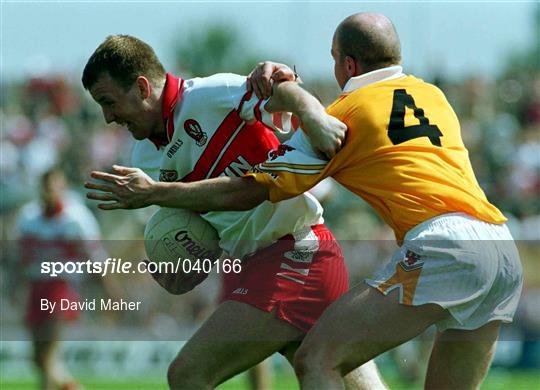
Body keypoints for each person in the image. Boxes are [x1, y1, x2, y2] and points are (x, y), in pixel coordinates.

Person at [84, 13, 523, 389]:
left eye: (332, 60)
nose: (108, 116)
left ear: (347, 64)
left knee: (302, 364)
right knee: (323, 362)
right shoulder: (434, 96)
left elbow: (251, 188)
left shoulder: (343, 115)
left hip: (333, 250)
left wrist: (309, 111)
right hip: (500, 246)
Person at [82, 35, 385, 389]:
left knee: (188, 374)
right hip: (258, 263)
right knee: (330, 374)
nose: (107, 118)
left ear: (142, 86)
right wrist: (175, 264)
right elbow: (197, 228)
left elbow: (281, 92)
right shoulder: (145, 159)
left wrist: (312, 114)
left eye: (109, 102)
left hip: (296, 251)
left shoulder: (208, 94)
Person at [14, 167, 104, 390]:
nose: (49, 191)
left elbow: (96, 256)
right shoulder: (28, 217)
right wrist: (17, 288)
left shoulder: (77, 218)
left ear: (62, 187)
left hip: (62, 287)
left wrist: (107, 289)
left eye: (54, 185)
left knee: (48, 354)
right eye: (45, 186)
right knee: (38, 359)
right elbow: (21, 259)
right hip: (37, 287)